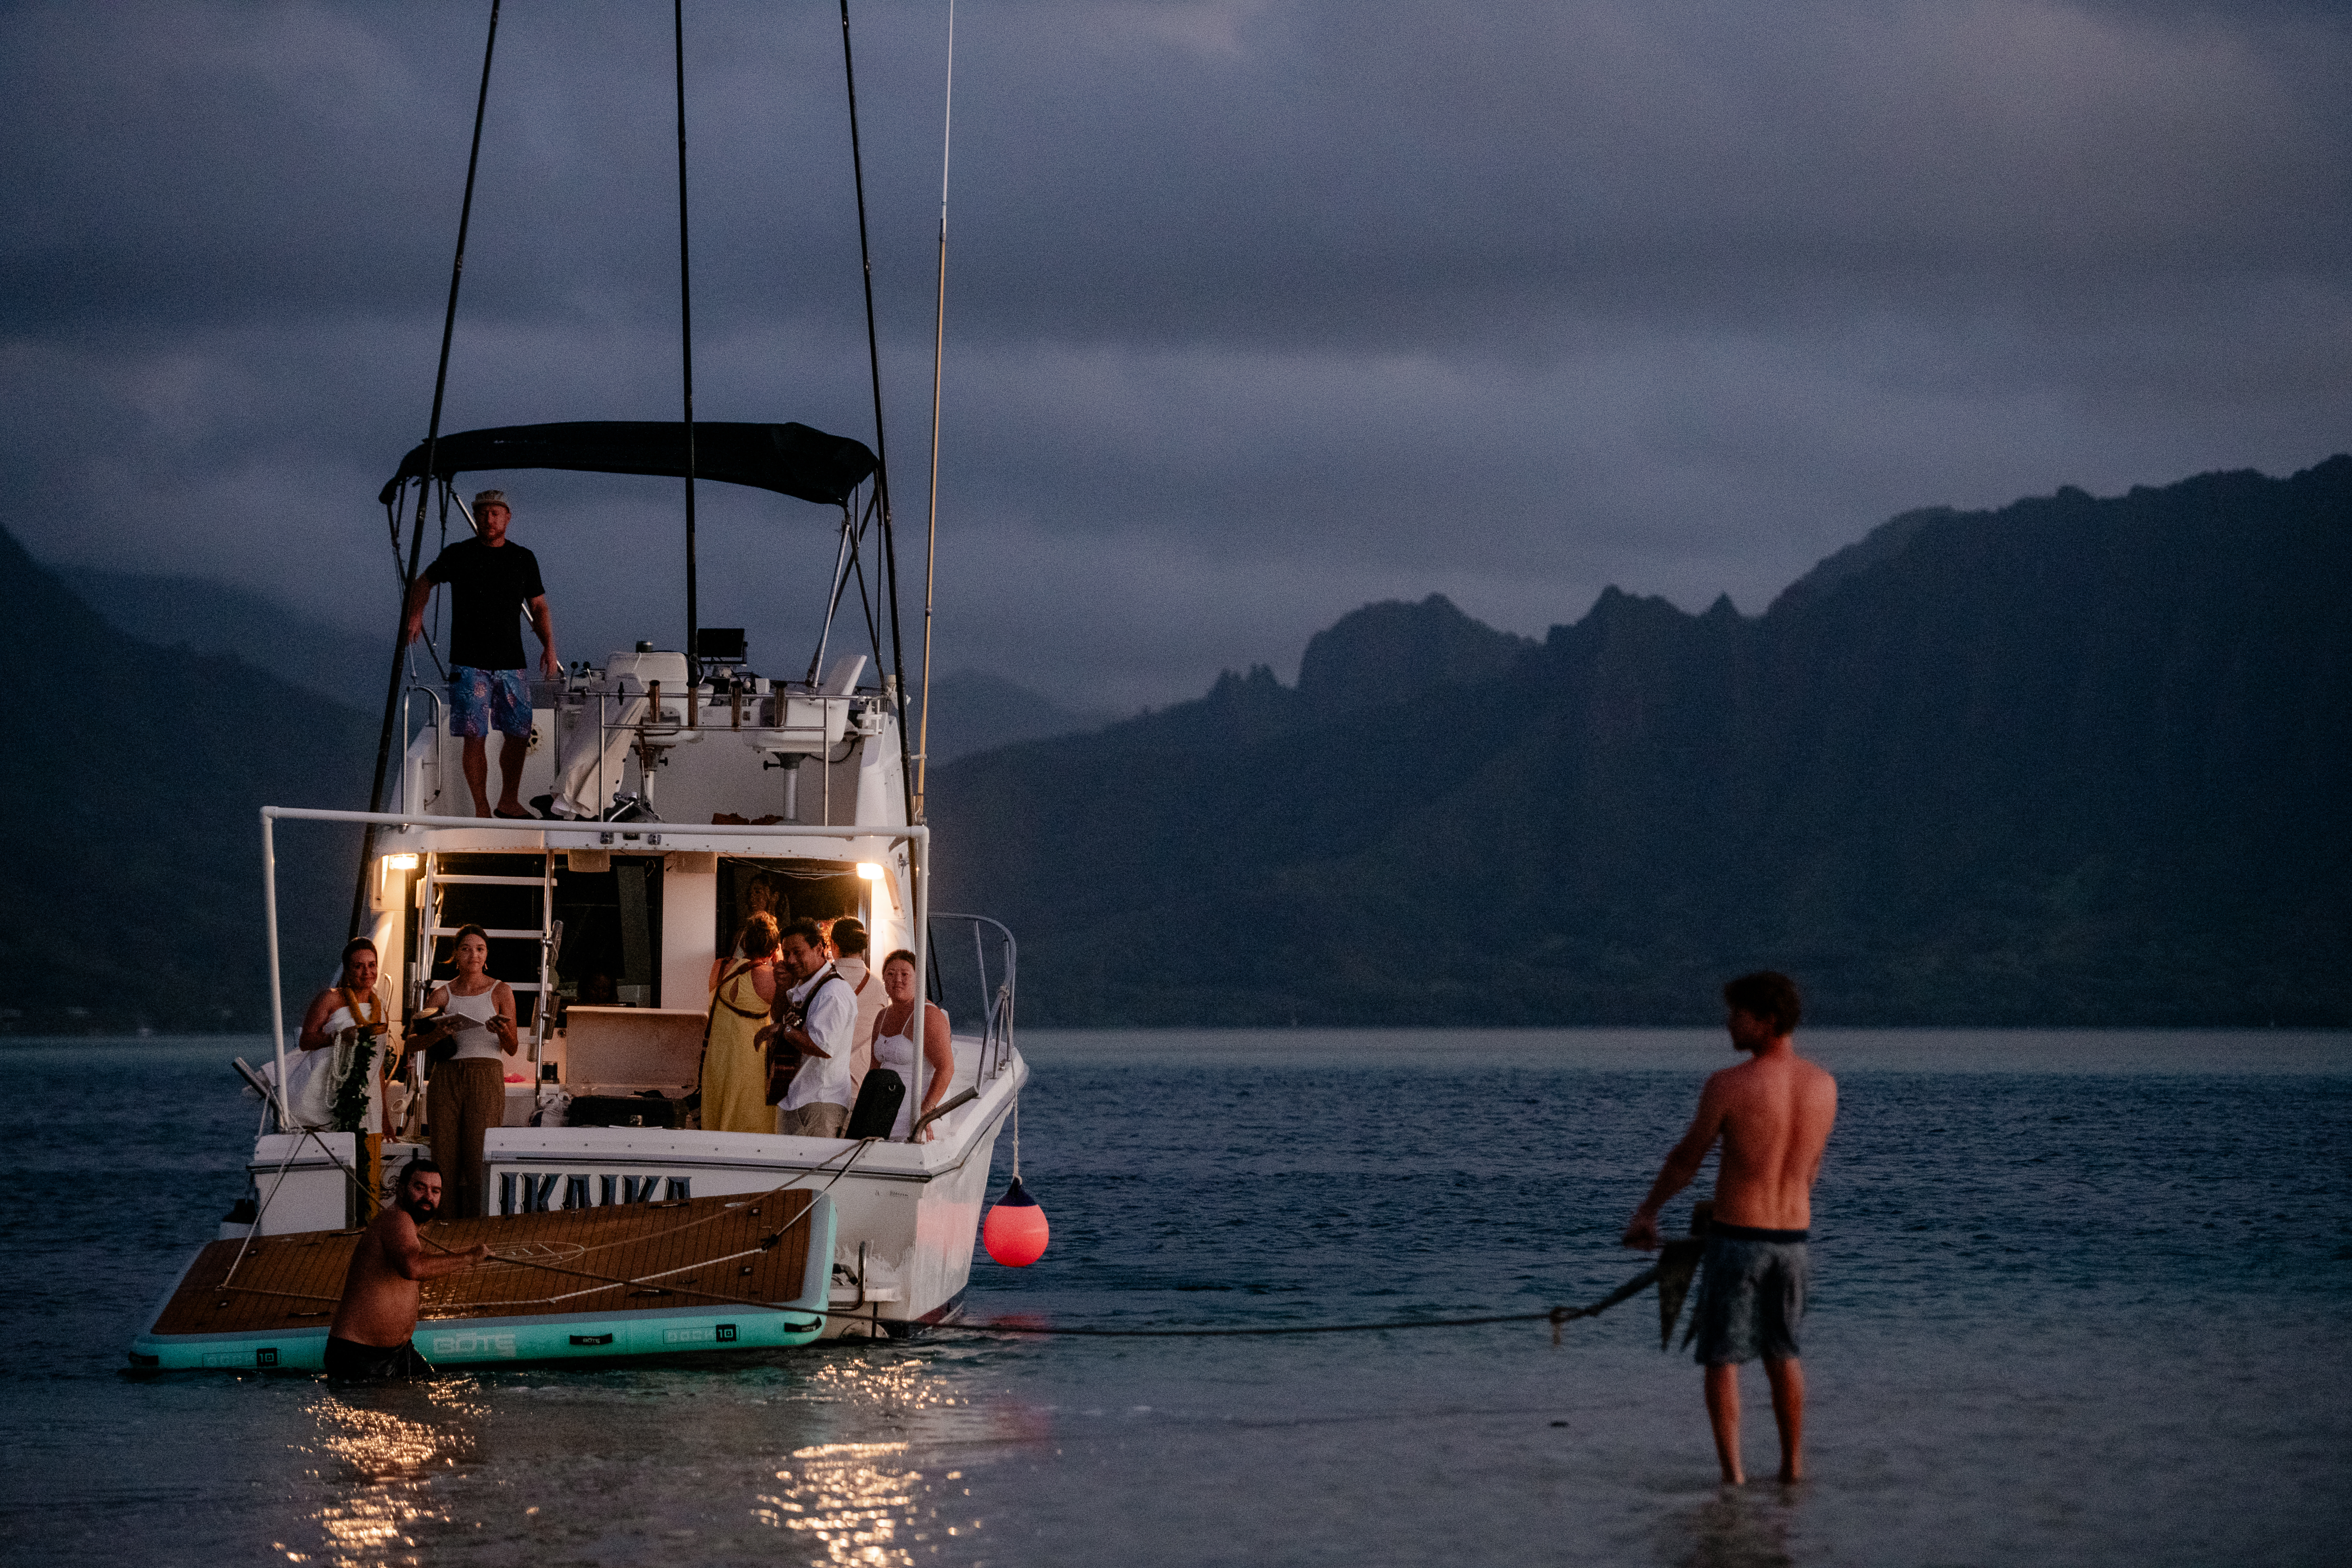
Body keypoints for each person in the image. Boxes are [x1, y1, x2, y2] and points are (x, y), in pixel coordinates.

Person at [1622, 971, 1839, 1486]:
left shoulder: (1729, 1085)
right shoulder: (1823, 1085)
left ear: (1765, 1021)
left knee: (1723, 1359)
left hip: (1740, 1238)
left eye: (1737, 1014)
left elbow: (1685, 1160)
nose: (1728, 1024)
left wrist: (1647, 1212)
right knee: (1784, 1355)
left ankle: (1734, 1477)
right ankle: (1792, 1470)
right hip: (1794, 1243)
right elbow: (1808, 1172)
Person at [402, 489, 560, 819]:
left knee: (519, 732)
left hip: (511, 662)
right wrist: (416, 616)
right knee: (475, 735)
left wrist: (549, 646)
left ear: (507, 518)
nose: (488, 519)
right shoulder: (459, 554)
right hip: (469, 662)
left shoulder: (523, 558)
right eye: (483, 513)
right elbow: (423, 583)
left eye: (495, 513)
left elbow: (539, 606)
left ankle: (509, 801)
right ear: (476, 516)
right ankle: (482, 809)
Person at [326, 1157, 489, 1381]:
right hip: (360, 1356)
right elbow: (413, 1268)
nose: (428, 1197)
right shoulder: (397, 1219)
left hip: (400, 1353)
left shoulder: (408, 1226)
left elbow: (417, 1265)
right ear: (401, 1190)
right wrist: (471, 1257)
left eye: (435, 1191)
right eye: (420, 1188)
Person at [411, 925, 518, 1218]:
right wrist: (438, 1033)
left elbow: (512, 1049)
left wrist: (503, 1031)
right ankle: (442, 1225)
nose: (473, 955)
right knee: (443, 1156)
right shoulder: (442, 994)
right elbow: (411, 1042)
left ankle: (476, 1227)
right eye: (466, 949)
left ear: (487, 956)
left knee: (478, 1157)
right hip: (446, 1076)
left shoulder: (501, 990)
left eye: (480, 949)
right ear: (456, 955)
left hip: (486, 1076)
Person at [760, 918, 855, 1138]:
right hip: (798, 1097)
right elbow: (779, 1015)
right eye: (787, 953)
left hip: (820, 1104)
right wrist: (782, 986)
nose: (791, 960)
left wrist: (783, 1030)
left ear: (819, 949)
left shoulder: (833, 992)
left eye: (798, 952)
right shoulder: (806, 985)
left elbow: (822, 1047)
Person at [292, 937, 397, 1134]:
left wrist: (385, 1118)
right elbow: (306, 1041)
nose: (367, 972)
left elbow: (379, 1065)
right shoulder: (330, 999)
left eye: (372, 965)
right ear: (348, 971)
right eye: (359, 966)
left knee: (368, 1154)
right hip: (332, 1091)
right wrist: (338, 1037)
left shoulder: (381, 1008)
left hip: (368, 1093)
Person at [701, 912, 781, 1134]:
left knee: (716, 1122)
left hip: (718, 1060)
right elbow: (785, 1014)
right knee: (750, 1129)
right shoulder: (772, 978)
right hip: (751, 1064)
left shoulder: (720, 966)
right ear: (775, 949)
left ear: (744, 942)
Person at [867, 948, 956, 1141]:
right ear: (884, 980)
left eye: (905, 974)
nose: (897, 980)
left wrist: (926, 1111)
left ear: (918, 978)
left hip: (914, 1114)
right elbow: (875, 1067)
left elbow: (946, 1068)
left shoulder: (929, 1016)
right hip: (882, 1114)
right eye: (890, 974)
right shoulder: (882, 1016)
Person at [826, 916, 887, 1098]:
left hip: (822, 1087)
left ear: (834, 945)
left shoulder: (820, 981)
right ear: (863, 948)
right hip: (860, 1087)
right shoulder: (879, 988)